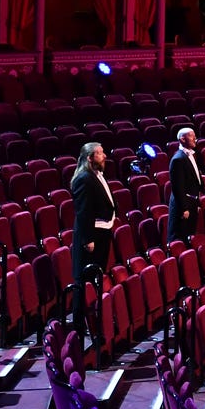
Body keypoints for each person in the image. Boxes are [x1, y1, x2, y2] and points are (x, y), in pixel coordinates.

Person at [69, 142, 115, 333]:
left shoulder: (96, 176)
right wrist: (88, 239)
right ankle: (78, 326)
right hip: (91, 238)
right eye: (99, 153)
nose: (104, 156)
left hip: (101, 233)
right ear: (89, 158)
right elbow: (83, 212)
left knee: (95, 277)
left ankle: (94, 321)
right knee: (84, 281)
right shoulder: (84, 179)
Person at [166, 126, 205, 243]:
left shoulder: (191, 155)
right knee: (179, 238)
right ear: (182, 139)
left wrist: (197, 202)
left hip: (191, 203)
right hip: (183, 207)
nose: (195, 138)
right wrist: (184, 208)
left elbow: (194, 180)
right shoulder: (178, 159)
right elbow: (178, 187)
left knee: (190, 236)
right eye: (191, 136)